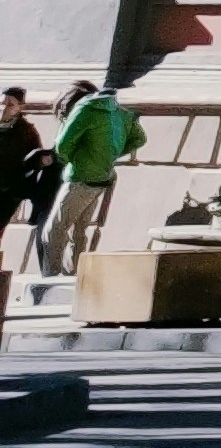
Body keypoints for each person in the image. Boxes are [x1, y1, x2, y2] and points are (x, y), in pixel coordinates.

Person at [42, 74, 136, 283]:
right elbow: (140, 138)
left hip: (80, 178)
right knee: (80, 231)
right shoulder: (115, 111)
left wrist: (73, 157)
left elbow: (63, 146)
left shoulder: (83, 110)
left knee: (54, 230)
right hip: (102, 178)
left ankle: (50, 281)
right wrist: (108, 155)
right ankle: (73, 278)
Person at [0, 90, 46, 295]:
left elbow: (35, 159)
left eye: (10, 104)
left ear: (20, 108)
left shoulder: (26, 132)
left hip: (8, 192)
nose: (4, 108)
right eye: (2, 103)